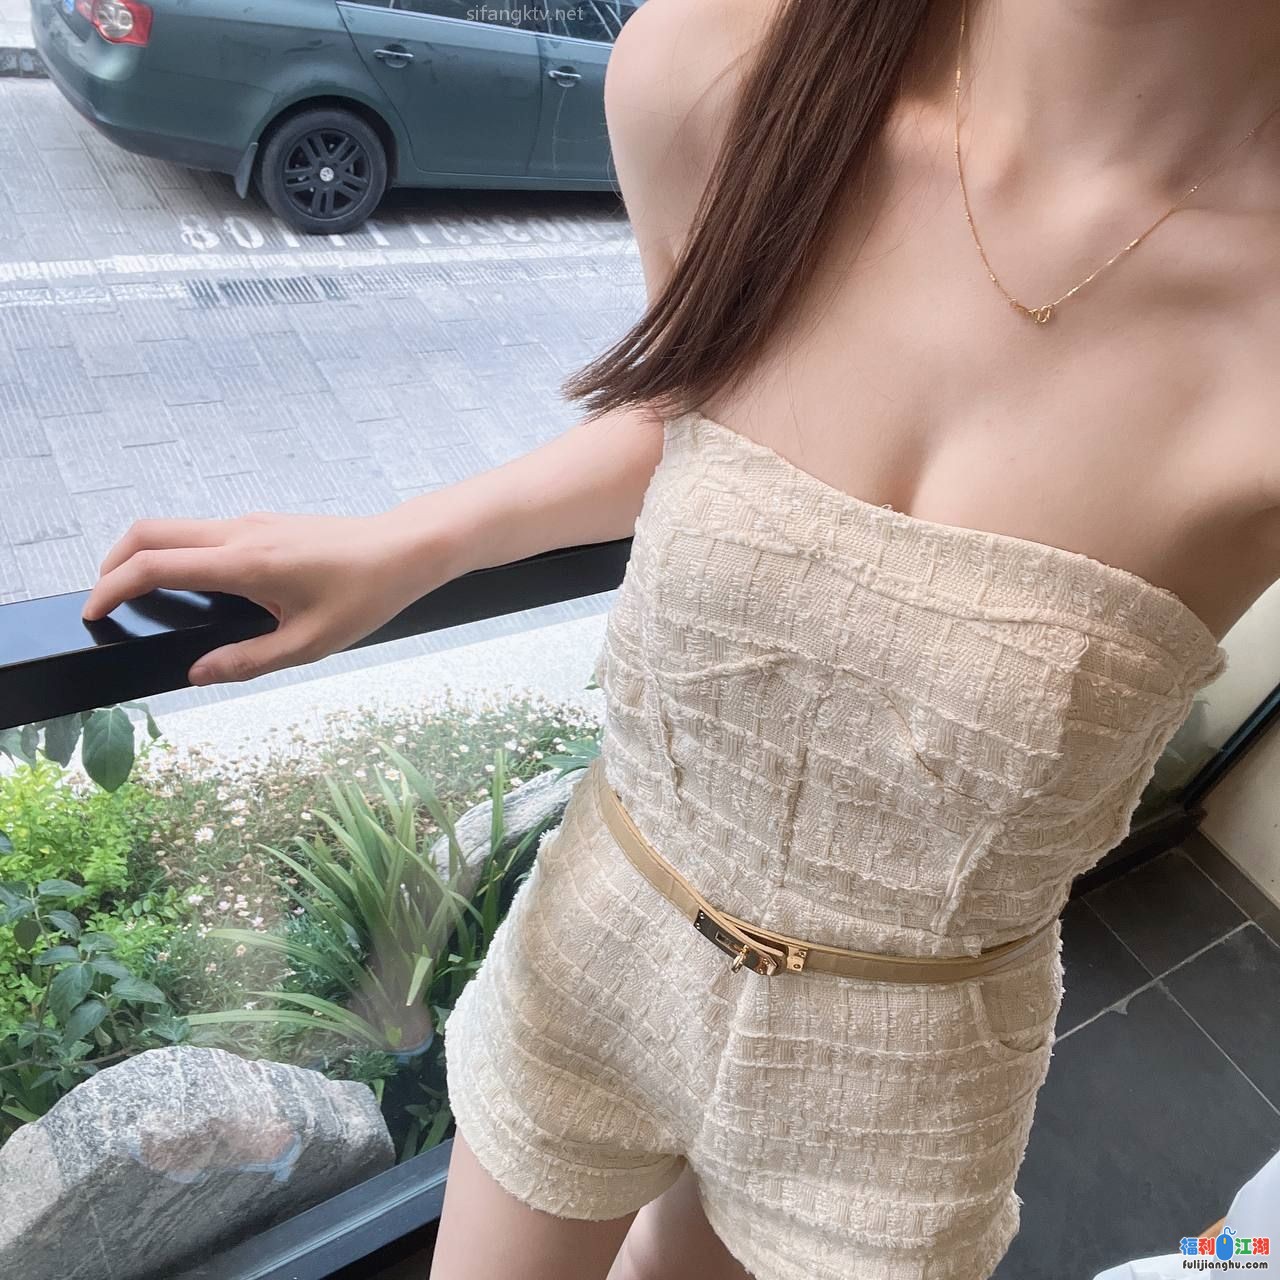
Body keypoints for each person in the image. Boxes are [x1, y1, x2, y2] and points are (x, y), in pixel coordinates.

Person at [79, 0, 1280, 1276]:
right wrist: (414, 541)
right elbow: (705, 406)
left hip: (907, 1072)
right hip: (609, 920)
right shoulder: (723, 69)